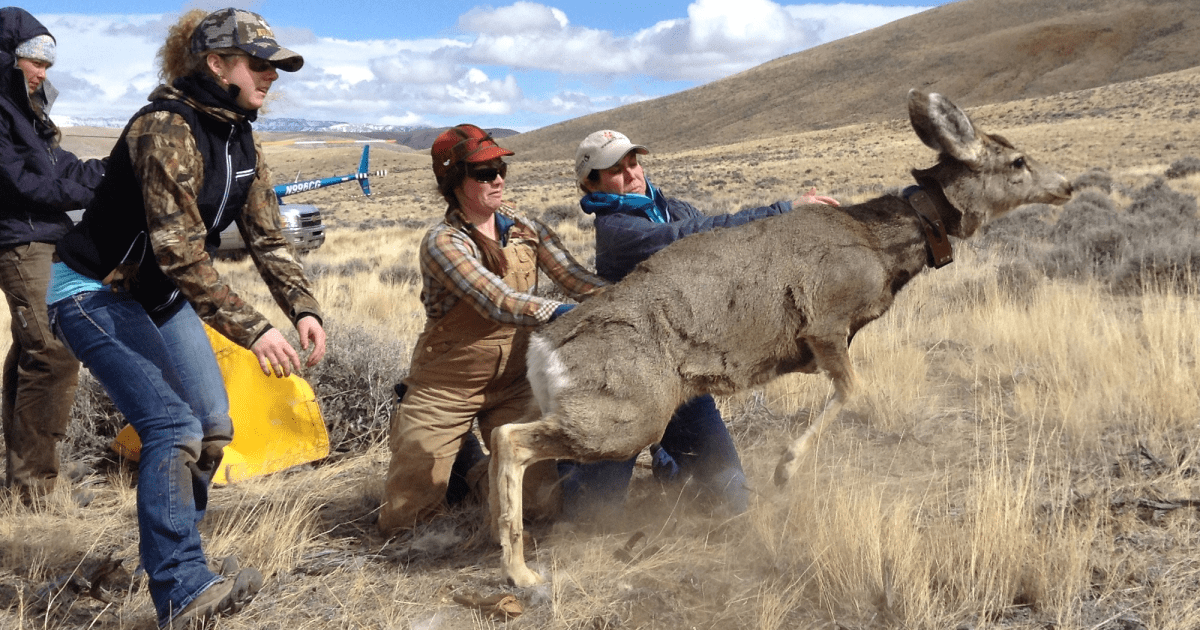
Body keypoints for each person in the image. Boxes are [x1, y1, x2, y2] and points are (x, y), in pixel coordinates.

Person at [46, 8, 325, 627]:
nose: (271, 76)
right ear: (216, 63)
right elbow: (179, 253)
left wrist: (302, 307)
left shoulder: (240, 136)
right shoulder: (166, 127)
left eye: (275, 66)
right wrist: (256, 330)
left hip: (155, 294)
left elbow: (268, 238)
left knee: (211, 426)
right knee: (173, 427)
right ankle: (181, 588)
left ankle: (184, 564)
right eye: (259, 64)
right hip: (90, 292)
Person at [559, 129, 839, 520]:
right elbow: (695, 238)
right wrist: (781, 213)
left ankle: (665, 459)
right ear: (592, 183)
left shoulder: (671, 207)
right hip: (625, 385)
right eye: (615, 171)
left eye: (633, 162)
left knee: (732, 500)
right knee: (590, 516)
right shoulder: (619, 231)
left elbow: (724, 237)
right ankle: (563, 461)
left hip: (682, 378)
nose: (632, 174)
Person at [378, 124, 608, 536]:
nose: (498, 178)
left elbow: (573, 276)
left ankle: (473, 472)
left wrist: (626, 298)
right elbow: (498, 301)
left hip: (513, 384)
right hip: (445, 388)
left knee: (540, 507)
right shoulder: (443, 242)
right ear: (454, 181)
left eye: (499, 167)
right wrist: (565, 313)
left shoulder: (525, 226)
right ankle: (459, 456)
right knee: (404, 522)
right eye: (483, 173)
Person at [0, 7, 105, 500]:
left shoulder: (27, 109)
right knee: (53, 351)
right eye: (33, 61)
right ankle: (35, 491)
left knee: (31, 349)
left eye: (48, 64)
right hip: (20, 240)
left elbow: (58, 167)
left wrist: (107, 172)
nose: (42, 72)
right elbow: (25, 184)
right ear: (6, 56)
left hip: (43, 236)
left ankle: (26, 478)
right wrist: (88, 191)